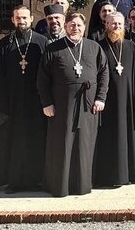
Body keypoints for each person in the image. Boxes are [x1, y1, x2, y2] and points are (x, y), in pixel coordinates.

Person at [37, 12, 108, 197]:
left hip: (88, 106)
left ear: (84, 28)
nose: (75, 28)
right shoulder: (53, 49)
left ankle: (82, 185)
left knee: (84, 145)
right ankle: (60, 186)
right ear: (65, 26)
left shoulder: (94, 47)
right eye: (71, 25)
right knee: (62, 145)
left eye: (78, 25)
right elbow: (42, 79)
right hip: (61, 106)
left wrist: (100, 98)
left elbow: (104, 74)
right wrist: (47, 103)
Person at [0, 5, 49, 193]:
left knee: (36, 141)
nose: (21, 21)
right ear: (12, 20)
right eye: (18, 18)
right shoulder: (5, 43)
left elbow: (48, 73)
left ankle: (36, 180)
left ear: (31, 19)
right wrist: (0, 103)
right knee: (13, 142)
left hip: (35, 103)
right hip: (12, 103)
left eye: (24, 18)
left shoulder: (42, 42)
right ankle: (14, 181)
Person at [94, 12, 135, 187]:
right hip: (107, 102)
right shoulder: (98, 47)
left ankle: (127, 175)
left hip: (127, 103)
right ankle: (106, 177)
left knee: (126, 139)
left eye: (119, 24)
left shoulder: (131, 46)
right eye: (112, 23)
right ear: (106, 25)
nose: (116, 26)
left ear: (124, 25)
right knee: (107, 139)